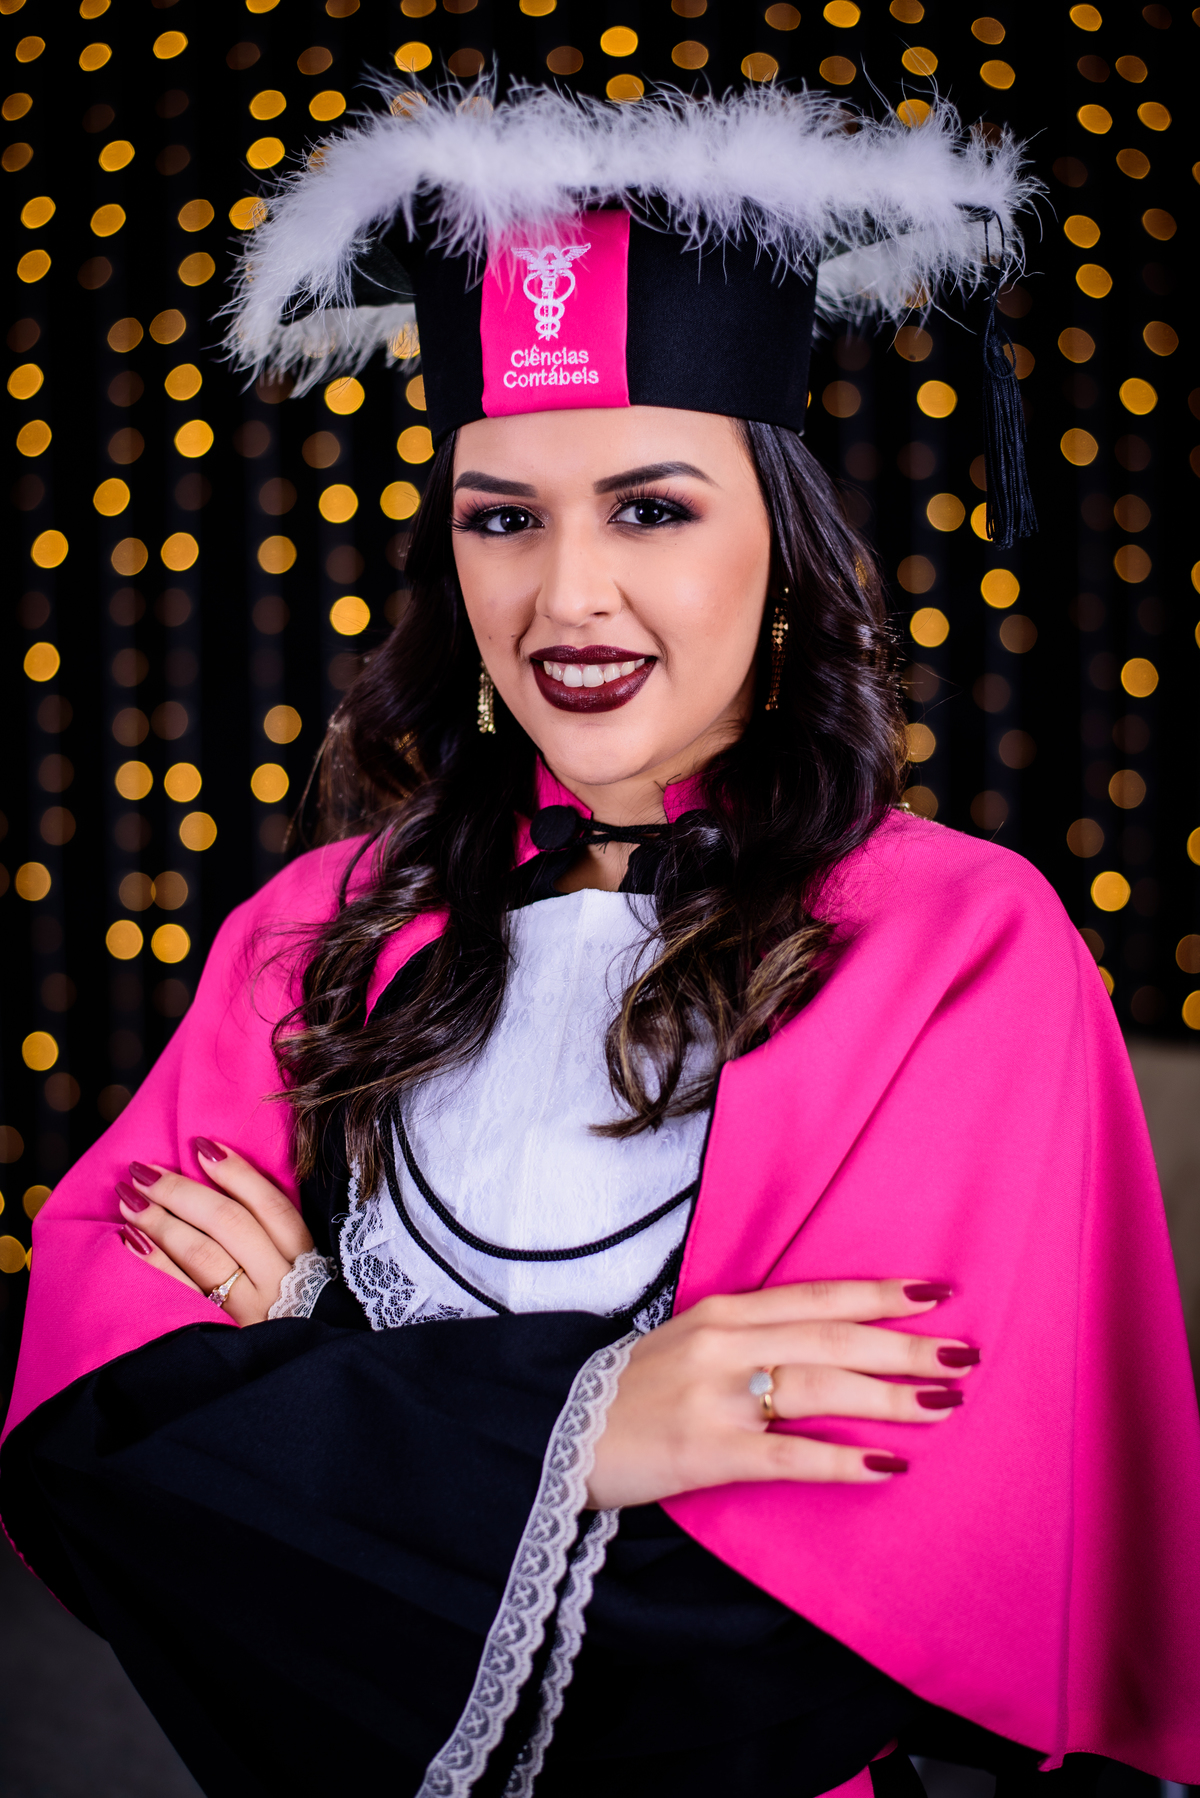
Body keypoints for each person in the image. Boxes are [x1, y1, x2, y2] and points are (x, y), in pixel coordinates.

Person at [3, 80, 1199, 1798]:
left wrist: (307, 1384)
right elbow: (90, 1448)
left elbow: (819, 1615)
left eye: (650, 507)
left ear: (781, 538)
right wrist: (597, 1424)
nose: (565, 596)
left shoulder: (964, 945)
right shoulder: (313, 924)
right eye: (503, 514)